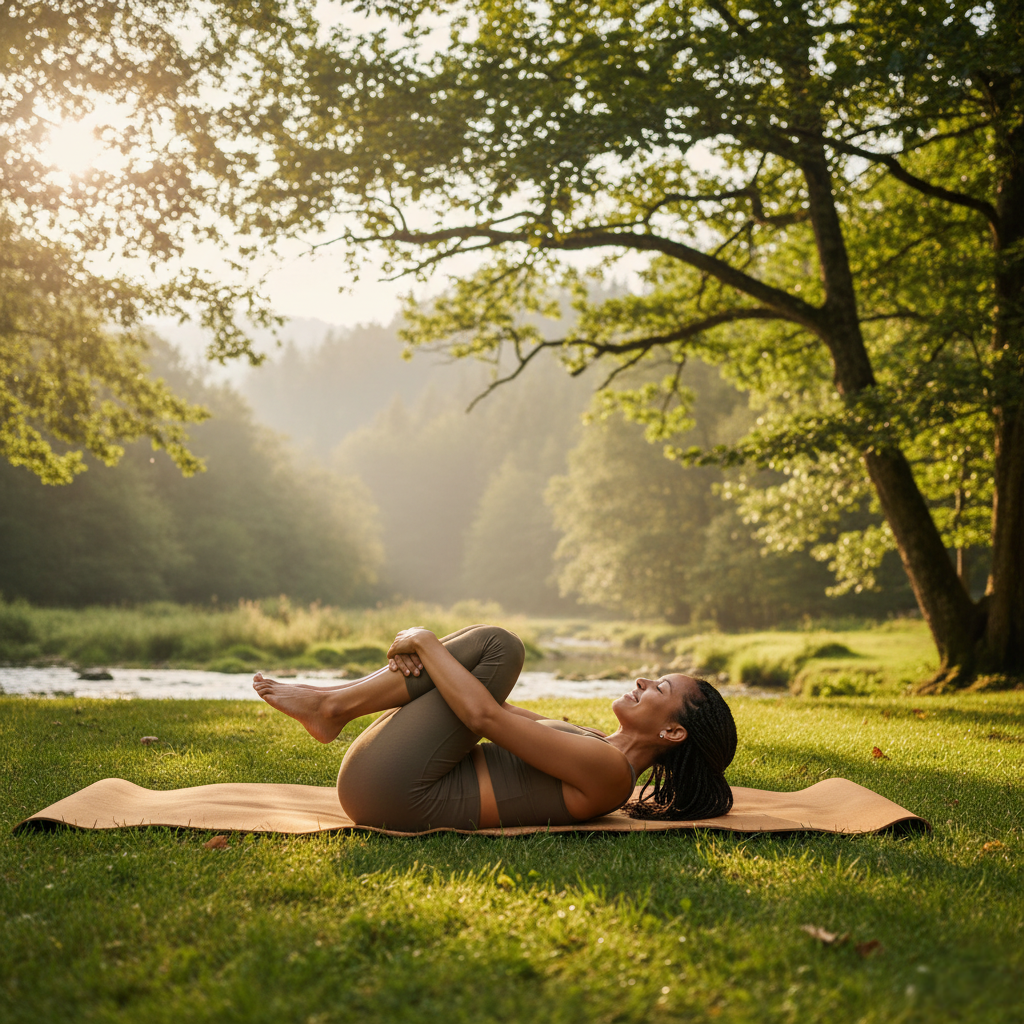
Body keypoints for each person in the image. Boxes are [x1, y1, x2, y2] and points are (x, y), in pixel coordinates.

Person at [253, 623, 737, 832]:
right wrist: (438, 659)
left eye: (659, 689)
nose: (642, 680)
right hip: (391, 785)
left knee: (501, 646)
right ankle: (333, 705)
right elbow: (491, 703)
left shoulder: (611, 772)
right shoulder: (595, 745)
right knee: (483, 656)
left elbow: (484, 717)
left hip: (397, 793)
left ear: (673, 733)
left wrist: (423, 640)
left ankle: (333, 706)